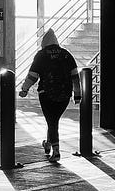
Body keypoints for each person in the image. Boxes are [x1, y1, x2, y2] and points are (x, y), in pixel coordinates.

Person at [18, 28, 81, 161]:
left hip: (47, 94)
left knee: (51, 121)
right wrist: (77, 95)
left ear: (44, 43)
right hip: (65, 94)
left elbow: (33, 76)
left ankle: (56, 151)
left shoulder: (41, 55)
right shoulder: (66, 54)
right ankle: (48, 144)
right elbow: (75, 76)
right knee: (53, 120)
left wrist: (24, 89)